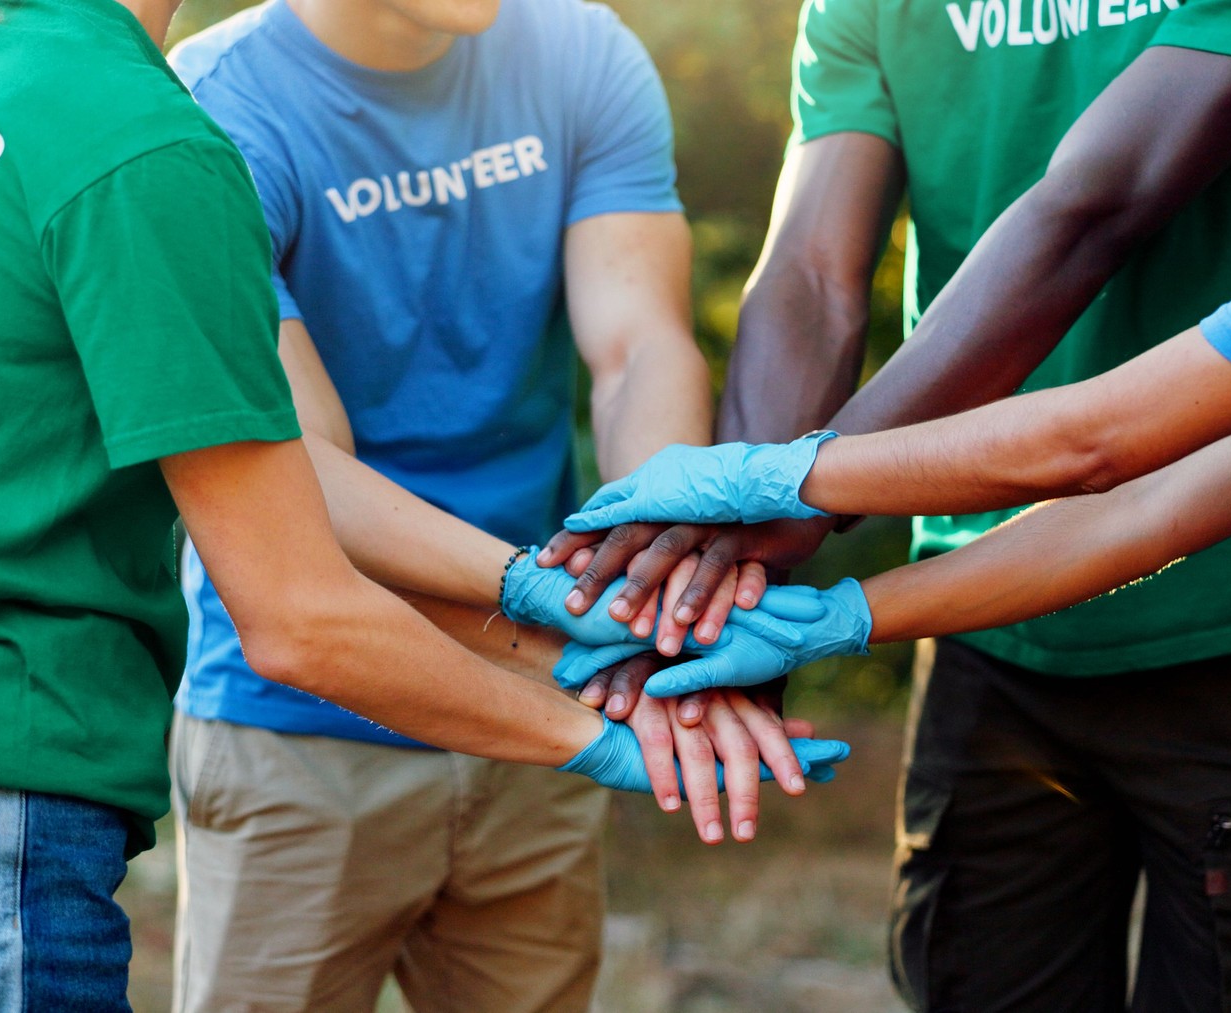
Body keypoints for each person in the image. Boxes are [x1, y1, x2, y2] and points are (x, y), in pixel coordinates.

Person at [0, 0, 844, 1007]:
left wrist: (594, 597)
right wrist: (593, 715)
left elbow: (633, 345)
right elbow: (299, 604)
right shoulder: (147, 136)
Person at [553, 9, 1231, 999]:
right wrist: (835, 616)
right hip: (1000, 643)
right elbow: (1159, 504)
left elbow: (1090, 434)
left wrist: (769, 488)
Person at [158, 2, 814, 1009]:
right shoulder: (211, 112)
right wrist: (553, 604)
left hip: (555, 698)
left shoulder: (582, 51)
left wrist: (663, 604)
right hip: (302, 730)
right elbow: (300, 470)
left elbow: (638, 347)